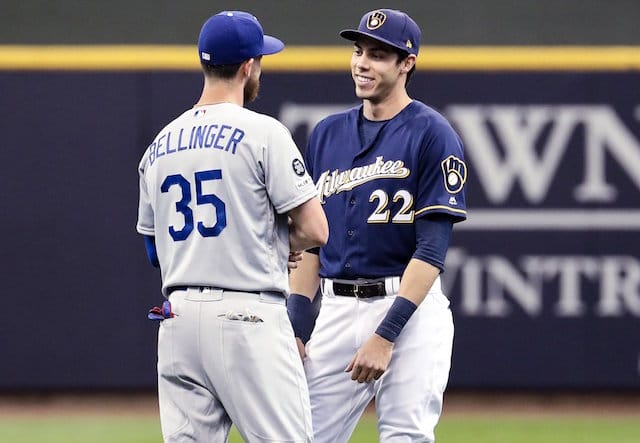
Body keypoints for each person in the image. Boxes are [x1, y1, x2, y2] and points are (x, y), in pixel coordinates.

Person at [136, 10, 328, 443]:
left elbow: (154, 251)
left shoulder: (158, 145)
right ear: (248, 67)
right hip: (248, 316)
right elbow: (317, 231)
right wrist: (277, 240)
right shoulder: (264, 133)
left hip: (178, 319)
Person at [287, 8, 467, 442]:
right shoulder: (327, 133)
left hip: (407, 310)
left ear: (407, 63)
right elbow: (311, 244)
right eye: (358, 50)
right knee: (302, 436)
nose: (363, 63)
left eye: (380, 55)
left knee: (405, 435)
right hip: (334, 308)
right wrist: (294, 327)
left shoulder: (432, 133)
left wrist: (385, 334)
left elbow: (431, 252)